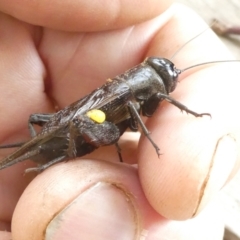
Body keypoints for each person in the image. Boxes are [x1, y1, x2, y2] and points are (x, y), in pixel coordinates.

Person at [0, 1, 239, 239]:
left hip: (90, 128)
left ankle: (39, 154)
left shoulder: (127, 88)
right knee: (75, 121)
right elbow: (136, 112)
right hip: (76, 132)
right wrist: (152, 135)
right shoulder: (136, 94)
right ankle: (52, 157)